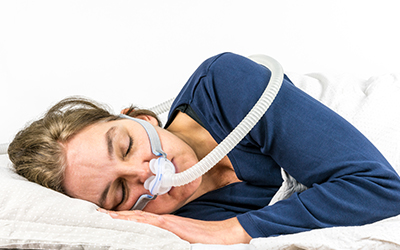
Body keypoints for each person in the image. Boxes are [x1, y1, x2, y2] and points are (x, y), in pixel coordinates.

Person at [8, 52, 400, 244]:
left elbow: (380, 191)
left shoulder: (226, 84)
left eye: (126, 146)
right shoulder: (184, 218)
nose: (148, 174)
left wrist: (232, 231)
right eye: (120, 192)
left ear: (141, 118)